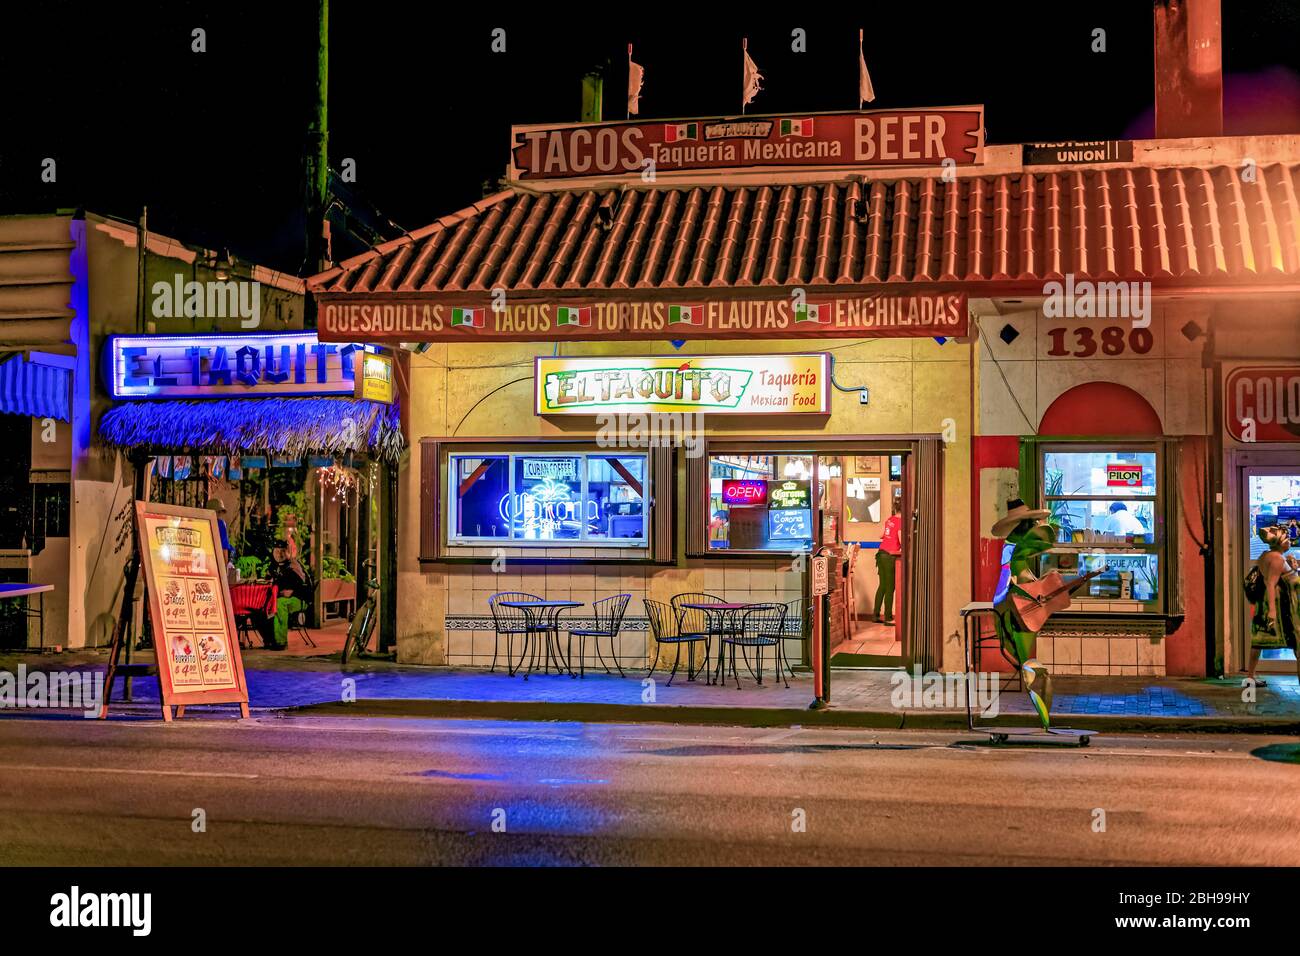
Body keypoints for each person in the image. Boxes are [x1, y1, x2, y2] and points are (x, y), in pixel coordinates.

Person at [991, 498, 1057, 731]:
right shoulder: (1014, 548)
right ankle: (1042, 712)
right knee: (1025, 659)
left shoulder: (1017, 548)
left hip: (1014, 603)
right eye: (1030, 523)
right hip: (1011, 607)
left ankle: (1043, 713)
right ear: (1022, 526)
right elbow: (1012, 579)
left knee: (1027, 660)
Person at [1248, 525, 1300, 686]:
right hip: (1281, 608)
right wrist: (1272, 611)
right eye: (1288, 539)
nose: (1290, 542)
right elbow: (1271, 583)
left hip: (1268, 605)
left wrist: (1292, 567)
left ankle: (1250, 676)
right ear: (1281, 541)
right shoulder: (1277, 559)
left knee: (1259, 641)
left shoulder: (1267, 555)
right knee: (1297, 645)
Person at [266, 539, 312, 650]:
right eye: (277, 551)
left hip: (299, 600)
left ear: (288, 551)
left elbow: (307, 586)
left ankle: (281, 642)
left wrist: (293, 592)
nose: (280, 554)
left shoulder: (294, 565)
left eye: (283, 551)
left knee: (280, 604)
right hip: (279, 599)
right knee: (261, 606)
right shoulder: (272, 567)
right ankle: (269, 640)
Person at [873, 500, 902, 625]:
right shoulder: (901, 522)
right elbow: (901, 539)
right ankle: (888, 618)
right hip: (890, 556)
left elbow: (880, 535)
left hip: (880, 554)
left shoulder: (889, 520)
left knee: (882, 586)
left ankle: (875, 615)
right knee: (890, 587)